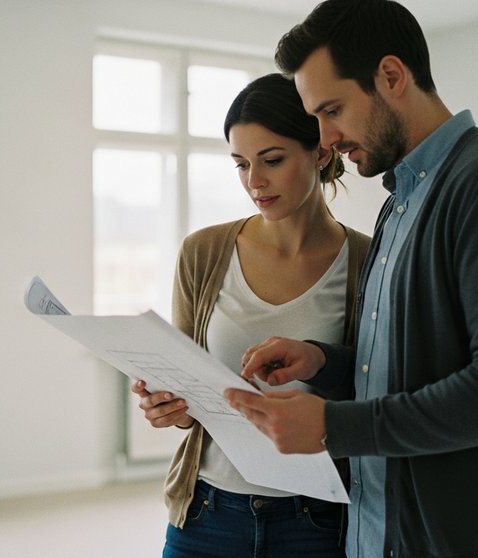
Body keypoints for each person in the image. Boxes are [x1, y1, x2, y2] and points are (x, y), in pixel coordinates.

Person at [224, 2, 478, 558]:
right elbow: (407, 368)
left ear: (391, 76)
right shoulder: (401, 199)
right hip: (378, 535)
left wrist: (335, 426)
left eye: (332, 109)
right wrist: (323, 361)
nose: (326, 138)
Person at [130, 73, 371, 558]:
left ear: (321, 152)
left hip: (317, 520)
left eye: (272, 160)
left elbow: (374, 391)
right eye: (241, 164)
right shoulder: (203, 252)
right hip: (206, 512)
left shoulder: (368, 262)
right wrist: (169, 407)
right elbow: (187, 387)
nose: (254, 181)